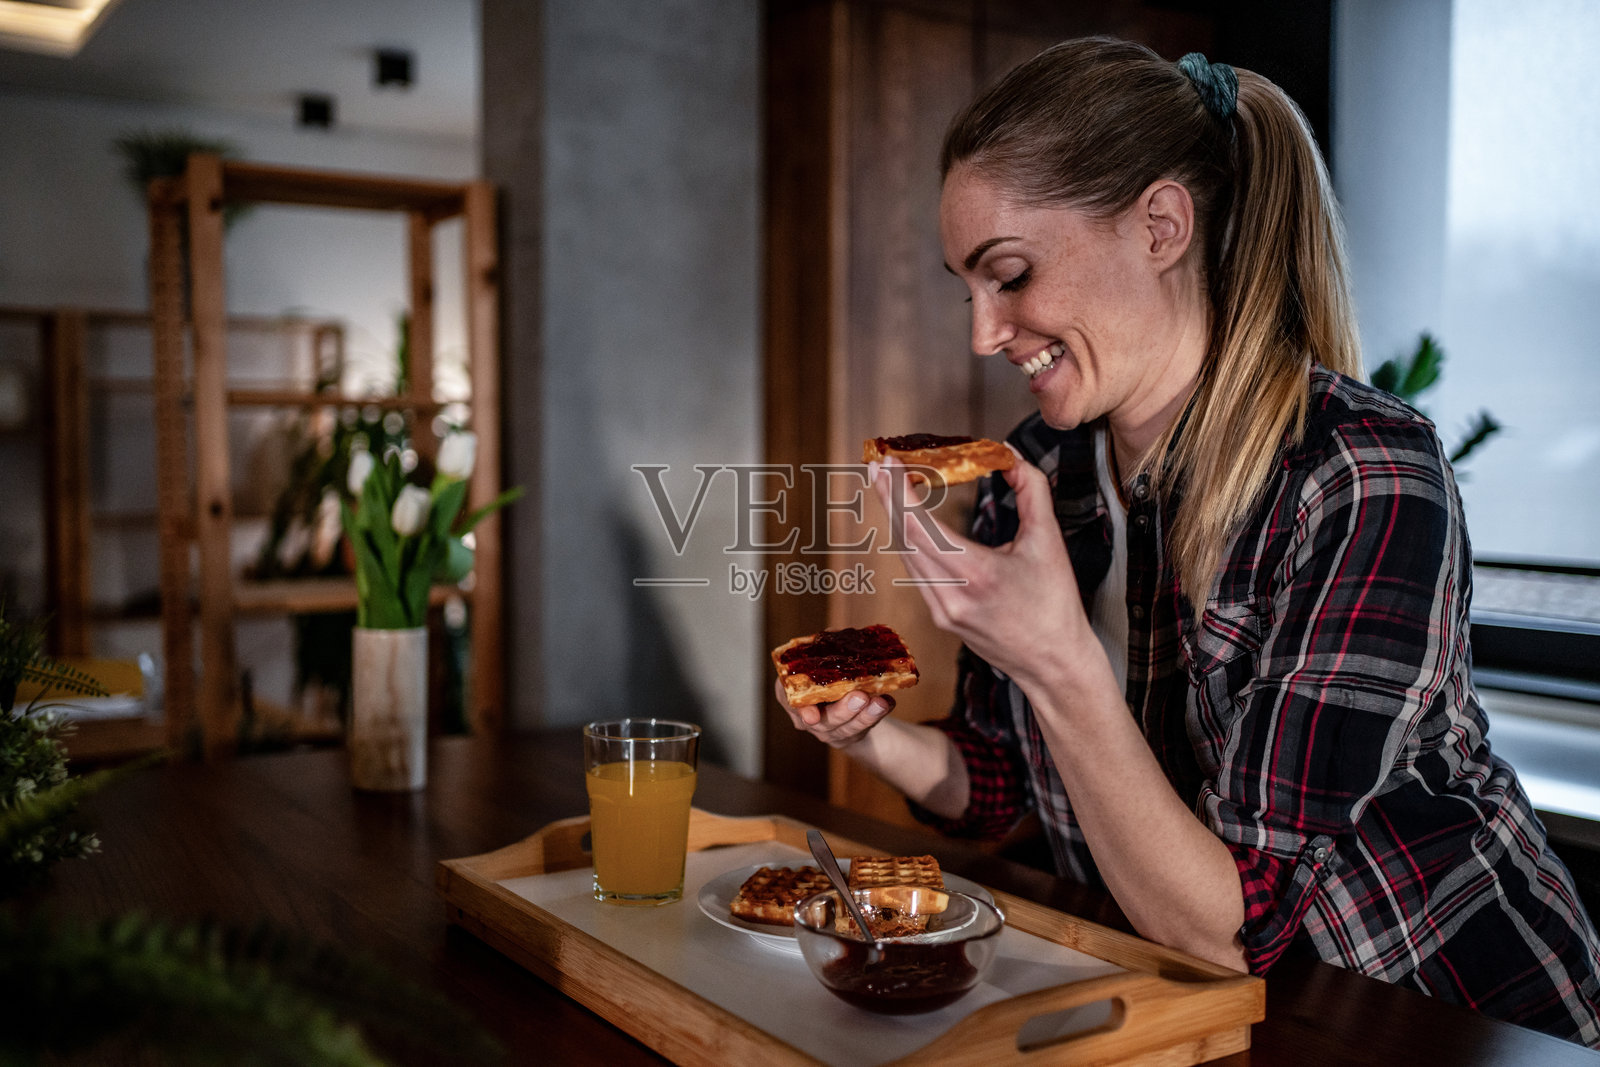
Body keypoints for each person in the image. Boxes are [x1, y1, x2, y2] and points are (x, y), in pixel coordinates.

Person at [776, 37, 1600, 1044]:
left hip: (1433, 1011)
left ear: (1161, 225)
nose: (984, 335)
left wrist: (1058, 658)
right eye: (968, 290)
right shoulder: (1034, 471)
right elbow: (999, 783)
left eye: (1011, 275)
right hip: (1195, 1014)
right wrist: (872, 733)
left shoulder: (1362, 472)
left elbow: (1234, 925)